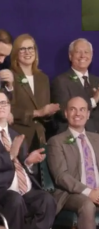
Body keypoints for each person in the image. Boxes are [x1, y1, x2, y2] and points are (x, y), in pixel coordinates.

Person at [0, 88, 56, 229]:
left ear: (9, 107)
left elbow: (22, 167)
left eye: (3, 103)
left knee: (46, 200)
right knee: (14, 199)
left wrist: (28, 162)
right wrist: (10, 156)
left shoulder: (15, 134)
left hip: (23, 192)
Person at [48, 96, 99, 229]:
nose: (78, 114)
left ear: (88, 114)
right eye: (73, 109)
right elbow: (61, 176)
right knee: (87, 204)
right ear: (66, 113)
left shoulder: (97, 139)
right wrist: (89, 192)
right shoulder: (56, 142)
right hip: (71, 194)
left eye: (82, 110)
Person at [9, 34, 60, 151]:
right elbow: (8, 110)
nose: (27, 52)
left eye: (30, 48)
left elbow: (44, 113)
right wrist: (37, 112)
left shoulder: (43, 78)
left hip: (40, 137)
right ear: (16, 53)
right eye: (22, 49)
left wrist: (49, 112)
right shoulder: (10, 76)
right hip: (19, 136)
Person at [51, 38, 99, 134]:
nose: (83, 55)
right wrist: (94, 101)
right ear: (70, 56)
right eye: (78, 52)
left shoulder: (96, 81)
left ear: (91, 55)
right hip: (73, 139)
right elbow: (63, 113)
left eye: (86, 52)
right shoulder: (61, 81)